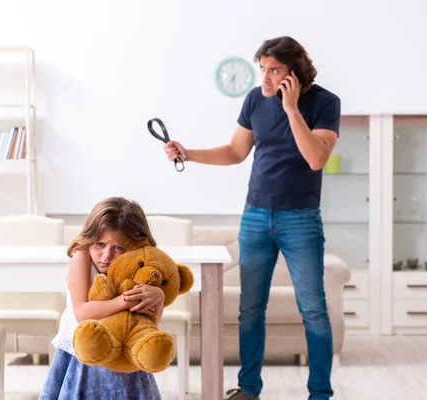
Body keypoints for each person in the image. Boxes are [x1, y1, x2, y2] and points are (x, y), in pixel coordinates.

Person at [164, 36, 340, 400]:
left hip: (300, 219)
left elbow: (316, 159)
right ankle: (248, 390)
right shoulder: (254, 100)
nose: (265, 77)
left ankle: (320, 393)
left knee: (314, 310)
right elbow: (235, 151)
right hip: (255, 217)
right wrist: (189, 153)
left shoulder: (324, 102)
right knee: (250, 310)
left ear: (295, 72)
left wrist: (291, 109)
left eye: (274, 70)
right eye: (262, 68)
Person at [40, 197, 166, 400]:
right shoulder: (81, 259)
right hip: (84, 358)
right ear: (90, 238)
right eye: (100, 244)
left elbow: (150, 322)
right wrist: (123, 301)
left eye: (118, 248)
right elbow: (82, 312)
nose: (106, 255)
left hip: (124, 359)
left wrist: (158, 297)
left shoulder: (137, 267)